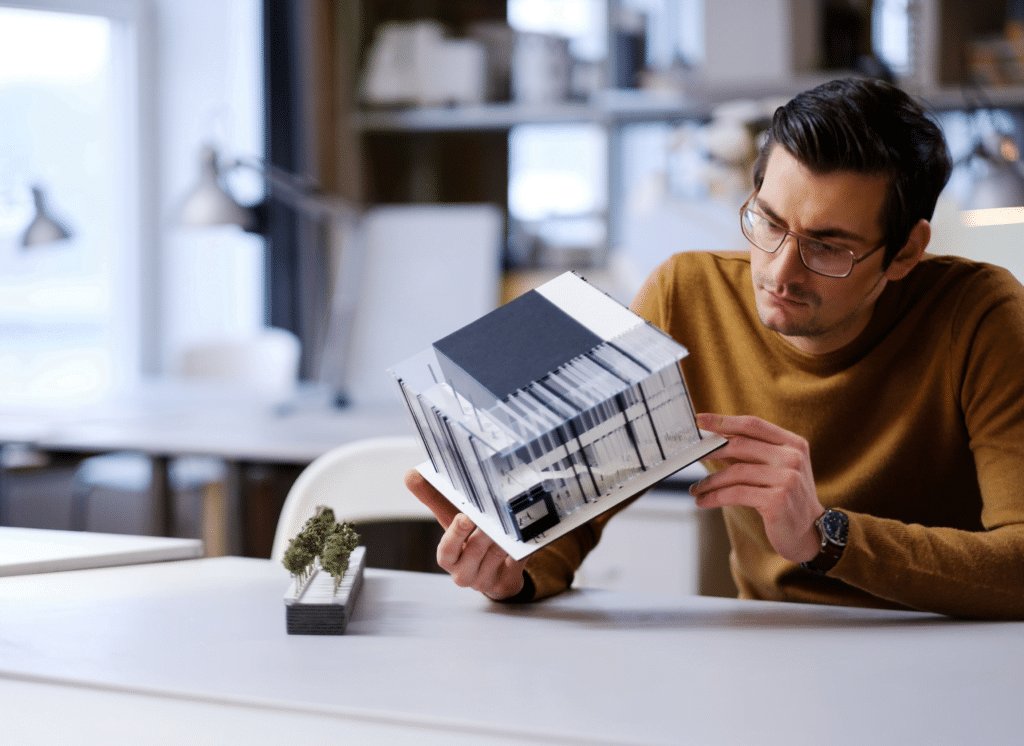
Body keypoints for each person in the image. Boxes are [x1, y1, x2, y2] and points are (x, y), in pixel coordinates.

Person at [405, 77, 1024, 619]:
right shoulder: (687, 293)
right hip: (771, 656)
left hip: (947, 651)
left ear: (908, 252)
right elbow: (573, 509)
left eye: (829, 247)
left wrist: (825, 538)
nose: (781, 271)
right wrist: (514, 569)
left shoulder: (981, 315)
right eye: (769, 221)